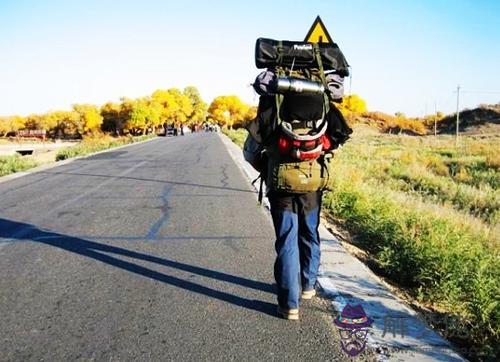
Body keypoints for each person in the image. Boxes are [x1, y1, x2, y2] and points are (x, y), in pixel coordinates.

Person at [244, 68, 351, 321]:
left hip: (280, 185)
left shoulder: (270, 107)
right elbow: (339, 138)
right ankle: (308, 286)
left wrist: (269, 167)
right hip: (312, 184)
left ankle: (288, 304)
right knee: (310, 233)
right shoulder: (324, 107)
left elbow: (249, 152)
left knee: (286, 239)